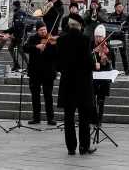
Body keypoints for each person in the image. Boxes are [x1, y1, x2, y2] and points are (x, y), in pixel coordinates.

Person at [54, 15, 95, 155]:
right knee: (84, 116)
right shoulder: (85, 40)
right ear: (80, 26)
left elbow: (58, 65)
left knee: (68, 117)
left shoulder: (61, 40)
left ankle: (71, 147)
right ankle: (84, 146)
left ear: (69, 25)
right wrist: (94, 64)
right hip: (83, 83)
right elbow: (89, 63)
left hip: (67, 83)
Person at [23, 22, 58, 125]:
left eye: (45, 29)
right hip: (35, 72)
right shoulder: (32, 39)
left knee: (48, 96)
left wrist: (51, 46)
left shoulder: (51, 40)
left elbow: (56, 54)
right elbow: (25, 48)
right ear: (37, 30)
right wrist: (36, 47)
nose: (44, 31)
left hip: (48, 72)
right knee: (35, 96)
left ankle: (50, 118)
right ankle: (36, 118)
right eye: (41, 30)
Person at [92, 24, 114, 125]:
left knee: (101, 100)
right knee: (92, 99)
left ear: (104, 36)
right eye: (96, 36)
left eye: (100, 36)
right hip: (93, 76)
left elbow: (110, 60)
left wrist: (104, 58)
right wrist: (93, 61)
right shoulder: (91, 45)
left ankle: (99, 120)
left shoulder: (108, 46)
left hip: (104, 76)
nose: (98, 38)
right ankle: (93, 117)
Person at [108, 0, 129, 76]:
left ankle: (126, 70)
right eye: (119, 7)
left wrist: (123, 28)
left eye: (121, 7)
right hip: (113, 36)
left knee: (123, 54)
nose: (121, 8)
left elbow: (128, 26)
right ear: (115, 8)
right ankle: (113, 68)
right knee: (112, 54)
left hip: (121, 36)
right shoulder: (111, 16)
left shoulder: (125, 16)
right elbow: (108, 25)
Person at [8, 0, 29, 72]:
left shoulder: (19, 12)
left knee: (20, 50)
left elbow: (19, 26)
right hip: (16, 34)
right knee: (11, 48)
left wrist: (12, 33)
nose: (11, 6)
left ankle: (29, 65)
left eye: (12, 5)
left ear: (15, 5)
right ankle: (16, 64)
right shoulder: (17, 12)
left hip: (20, 35)